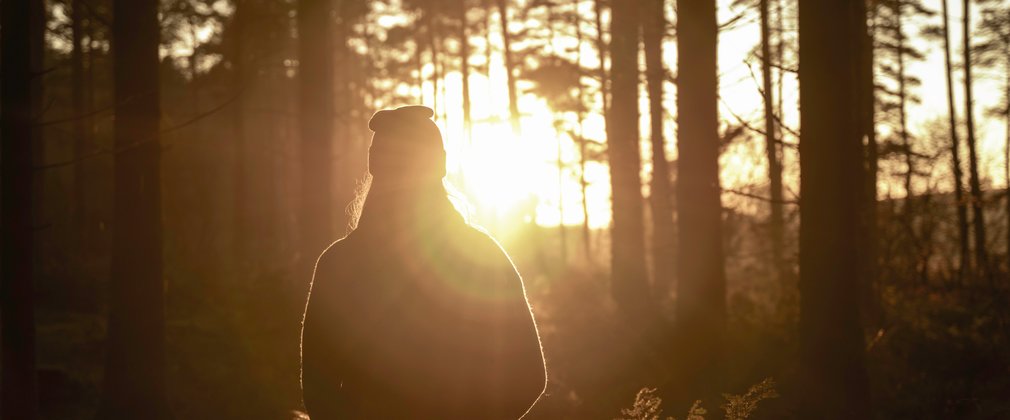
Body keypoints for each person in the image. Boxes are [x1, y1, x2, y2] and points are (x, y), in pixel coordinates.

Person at [300, 106, 547, 419]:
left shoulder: (338, 263)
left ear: (373, 163)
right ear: (440, 164)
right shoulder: (483, 257)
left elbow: (317, 388)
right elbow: (529, 377)